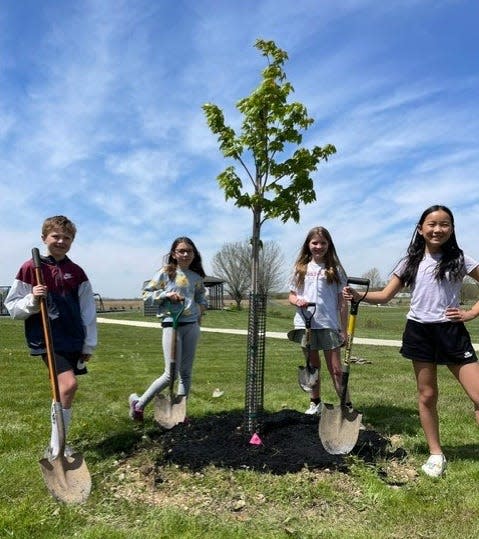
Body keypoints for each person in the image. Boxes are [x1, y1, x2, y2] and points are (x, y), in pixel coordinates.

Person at [344, 205, 479, 477]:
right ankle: (436, 454)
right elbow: (384, 295)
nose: (437, 229)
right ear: (420, 229)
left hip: (451, 333)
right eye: (431, 224)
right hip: (420, 332)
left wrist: (471, 313)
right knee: (427, 395)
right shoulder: (410, 261)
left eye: (444, 224)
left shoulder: (461, 259)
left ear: (452, 229)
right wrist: (359, 296)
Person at [5, 215, 97, 459]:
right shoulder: (30, 268)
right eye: (56, 236)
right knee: (68, 385)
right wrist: (33, 299)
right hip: (47, 338)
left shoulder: (77, 272)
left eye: (67, 238)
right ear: (44, 237)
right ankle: (57, 447)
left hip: (73, 338)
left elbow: (88, 310)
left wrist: (89, 342)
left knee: (61, 390)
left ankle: (58, 442)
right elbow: (12, 307)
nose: (61, 241)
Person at [129, 236, 208, 421]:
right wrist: (166, 294)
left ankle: (179, 413)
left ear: (194, 254)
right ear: (174, 253)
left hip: (191, 326)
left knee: (186, 373)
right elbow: (146, 294)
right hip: (171, 324)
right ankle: (138, 405)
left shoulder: (197, 278)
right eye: (181, 251)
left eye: (189, 251)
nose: (186, 254)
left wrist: (199, 308)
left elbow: (202, 299)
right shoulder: (166, 273)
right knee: (170, 373)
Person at [288, 226, 349, 416]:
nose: (318, 246)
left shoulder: (335, 269)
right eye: (315, 242)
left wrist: (344, 329)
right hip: (306, 324)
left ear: (329, 245)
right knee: (312, 367)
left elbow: (343, 302)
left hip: (329, 324)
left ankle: (346, 406)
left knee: (337, 369)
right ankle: (315, 403)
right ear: (308, 245)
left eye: (323, 243)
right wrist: (298, 300)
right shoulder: (300, 269)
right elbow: (291, 295)